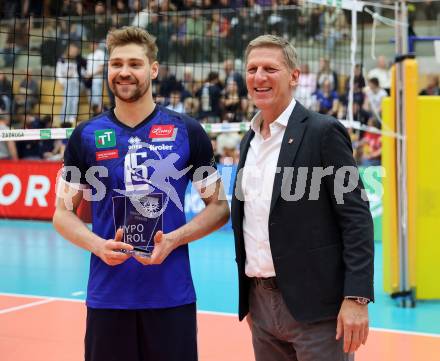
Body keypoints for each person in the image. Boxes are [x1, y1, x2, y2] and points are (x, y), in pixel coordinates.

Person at [53, 26, 229, 361]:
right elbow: (62, 213)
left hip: (170, 296)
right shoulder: (86, 136)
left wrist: (174, 239)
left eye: (134, 63)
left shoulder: (186, 131)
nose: (124, 72)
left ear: (153, 69)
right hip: (109, 297)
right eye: (116, 63)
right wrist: (97, 245)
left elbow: (219, 207)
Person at [231, 35, 374, 361]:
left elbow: (356, 218)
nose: (259, 77)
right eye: (252, 69)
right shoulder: (248, 140)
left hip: (317, 309)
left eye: (270, 68)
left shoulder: (324, 132)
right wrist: (253, 300)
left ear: (294, 76)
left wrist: (356, 297)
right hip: (260, 306)